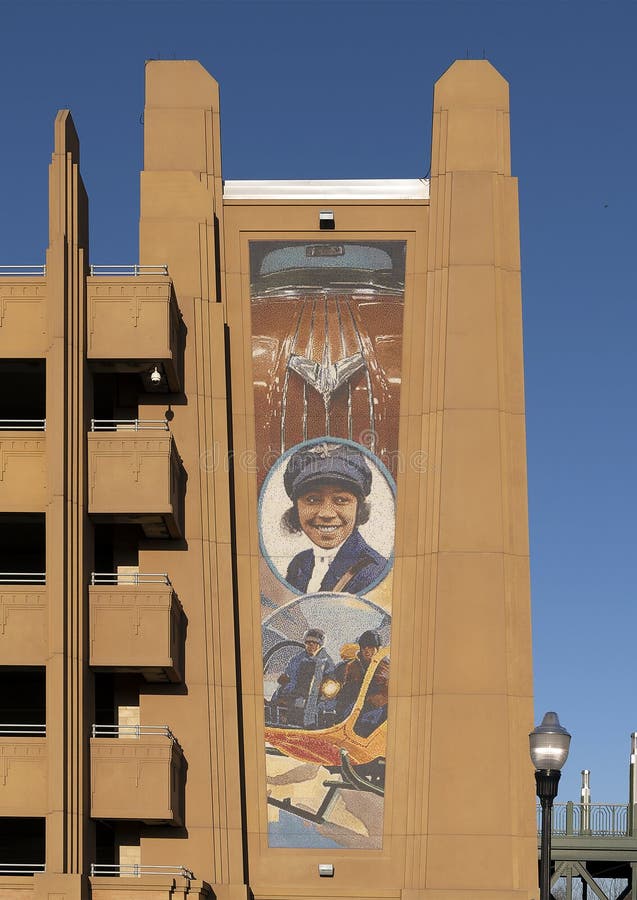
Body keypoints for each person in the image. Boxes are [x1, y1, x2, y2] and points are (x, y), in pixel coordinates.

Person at [282, 442, 388, 595]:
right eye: (312, 499)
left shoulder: (373, 573)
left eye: (341, 500)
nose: (327, 514)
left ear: (358, 508)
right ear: (297, 508)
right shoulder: (299, 564)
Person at [268, 628, 334, 728]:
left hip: (315, 697)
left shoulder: (327, 663)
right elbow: (289, 677)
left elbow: (330, 686)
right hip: (295, 694)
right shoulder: (297, 659)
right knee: (277, 701)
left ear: (320, 645)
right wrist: (284, 690)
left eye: (314, 642)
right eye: (308, 642)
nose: (310, 645)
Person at [336, 629, 389, 737]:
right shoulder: (353, 665)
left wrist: (376, 700)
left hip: (376, 708)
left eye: (370, 647)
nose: (366, 650)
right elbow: (346, 688)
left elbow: (388, 693)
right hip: (354, 705)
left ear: (378, 648)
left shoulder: (387, 668)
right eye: (364, 647)